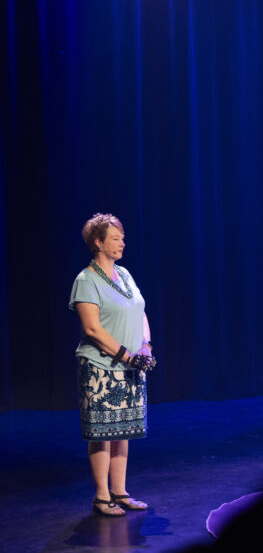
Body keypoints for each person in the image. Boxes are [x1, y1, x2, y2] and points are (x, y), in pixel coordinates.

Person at [70, 213, 156, 517]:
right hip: (101, 367)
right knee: (103, 434)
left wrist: (144, 346)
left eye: (122, 236)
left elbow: (140, 310)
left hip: (132, 366)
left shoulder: (125, 274)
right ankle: (101, 496)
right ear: (98, 242)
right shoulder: (86, 280)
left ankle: (120, 492)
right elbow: (93, 329)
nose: (122, 241)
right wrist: (126, 355)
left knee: (123, 431)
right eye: (116, 237)